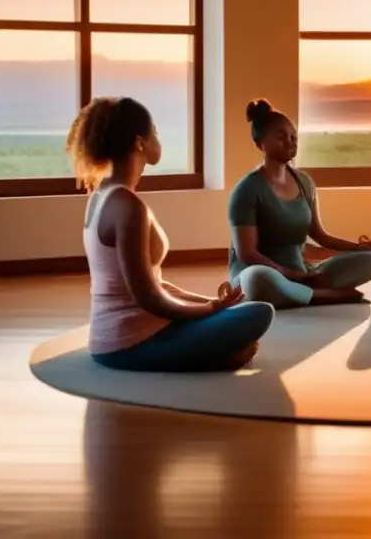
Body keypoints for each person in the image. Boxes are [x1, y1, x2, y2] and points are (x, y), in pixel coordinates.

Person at [66, 97, 274, 372]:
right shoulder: (127, 207)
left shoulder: (102, 195)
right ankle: (212, 355)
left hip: (123, 335)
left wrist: (212, 303)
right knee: (260, 314)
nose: (159, 139)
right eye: (156, 133)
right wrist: (210, 310)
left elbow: (155, 285)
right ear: (139, 142)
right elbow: (150, 298)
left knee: (240, 317)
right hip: (129, 343)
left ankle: (215, 351)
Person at [228, 99, 371, 309]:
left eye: (293, 136)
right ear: (260, 144)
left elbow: (320, 235)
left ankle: (301, 293)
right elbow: (247, 253)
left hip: (302, 272)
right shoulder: (247, 190)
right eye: (281, 136)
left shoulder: (304, 182)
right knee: (259, 280)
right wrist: (290, 274)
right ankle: (323, 296)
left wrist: (360, 248)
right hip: (261, 273)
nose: (290, 141)